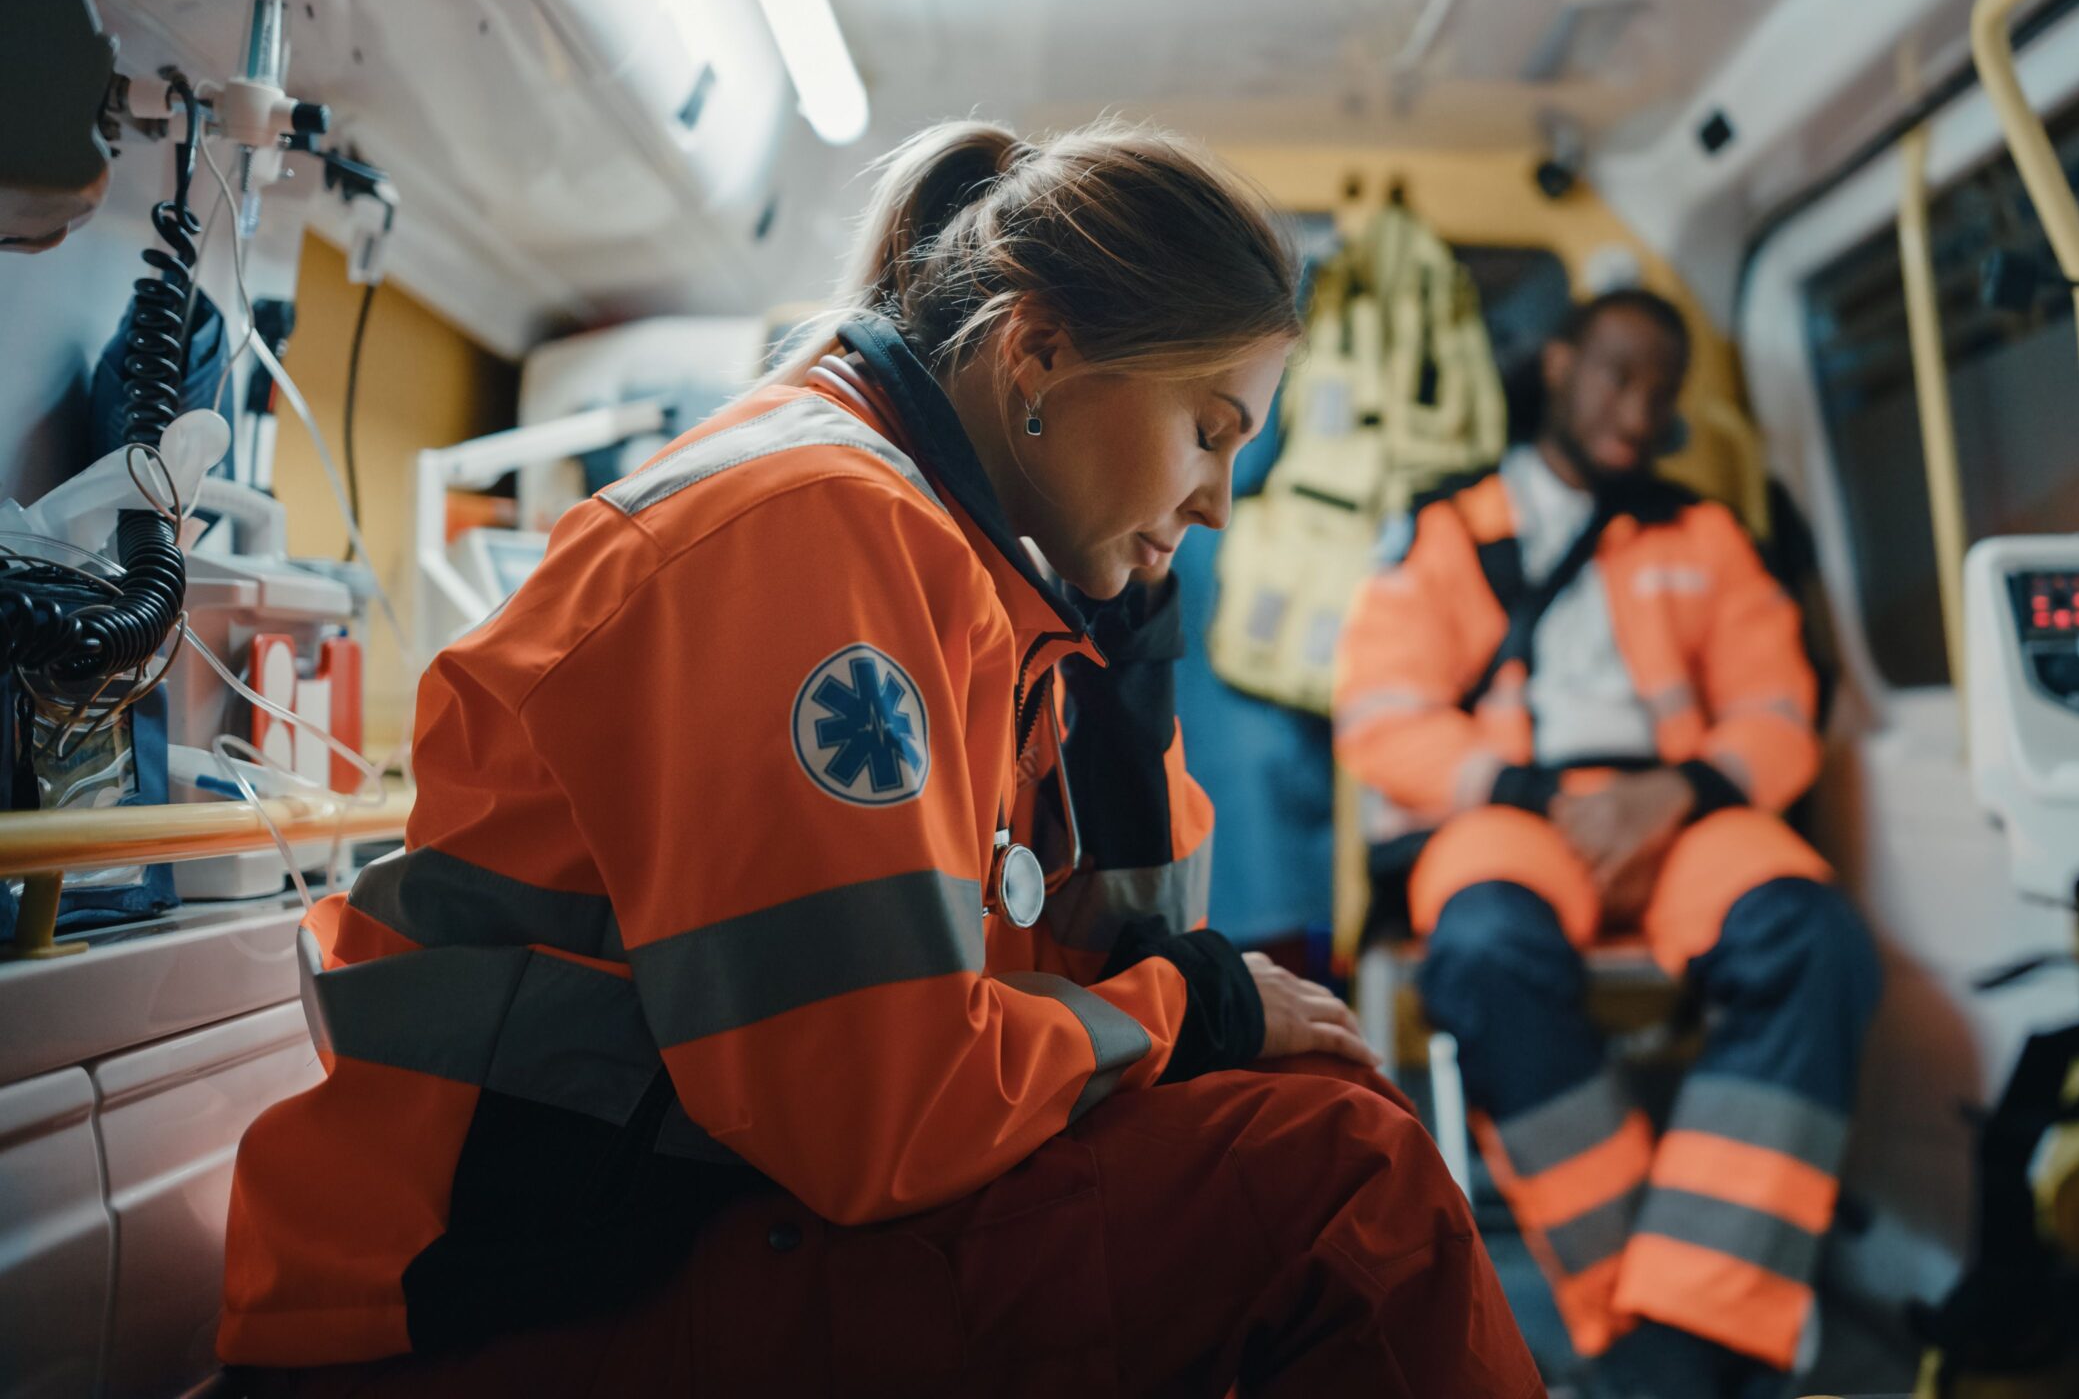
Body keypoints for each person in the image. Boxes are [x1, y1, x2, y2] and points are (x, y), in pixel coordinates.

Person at [218, 120, 1541, 1398]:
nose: (1220, 503)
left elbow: (1085, 980)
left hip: (671, 1232)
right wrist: (1203, 1009)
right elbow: (883, 1118)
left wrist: (1132, 674)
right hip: (502, 1309)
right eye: (1211, 430)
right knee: (1341, 1187)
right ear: (1036, 352)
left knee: (1293, 1093)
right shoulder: (810, 531)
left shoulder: (967, 574)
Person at [1334, 289, 1883, 1397]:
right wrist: (1532, 791)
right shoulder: (1447, 530)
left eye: (1661, 390)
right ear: (1559, 366)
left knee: (1817, 941)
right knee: (1482, 954)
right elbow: (1382, 717)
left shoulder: (1706, 534)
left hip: (1683, 814)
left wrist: (1676, 794)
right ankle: (1677, 1323)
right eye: (1618, 375)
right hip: (1512, 818)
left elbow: (1778, 710)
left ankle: (1661, 1356)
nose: (1639, 410)